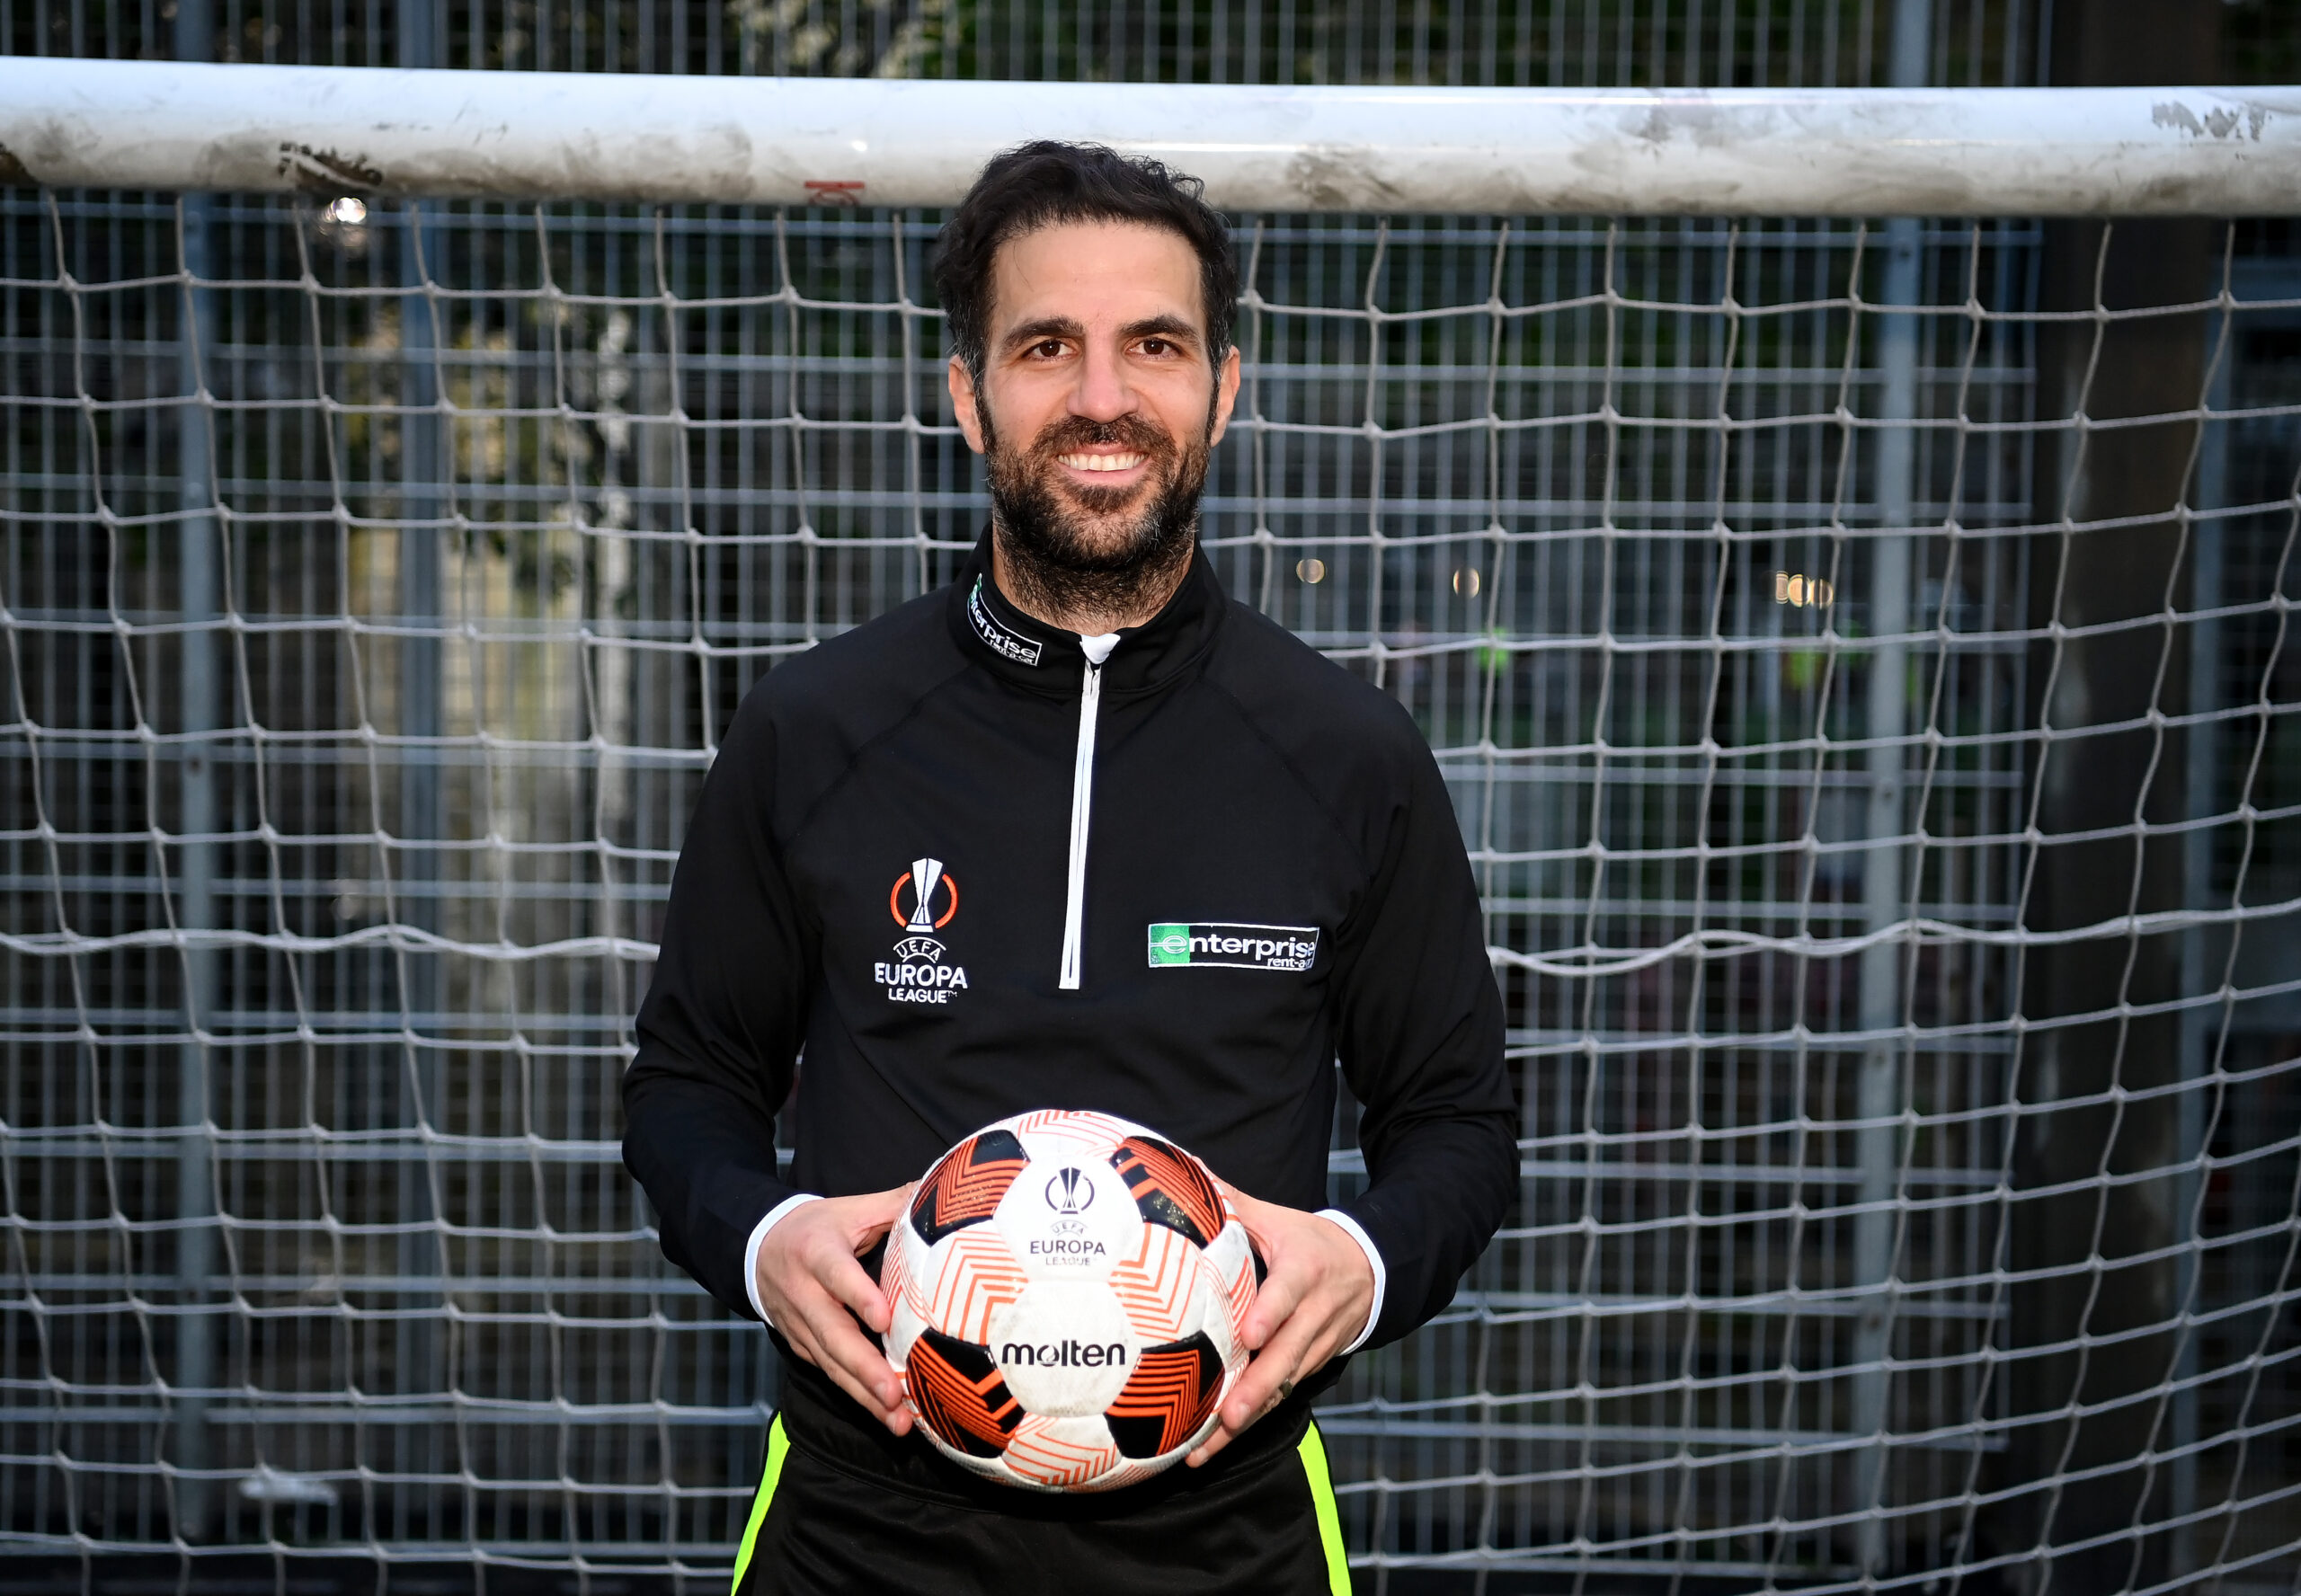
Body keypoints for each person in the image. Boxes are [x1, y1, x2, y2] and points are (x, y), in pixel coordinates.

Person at [620, 141, 1515, 1596]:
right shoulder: (813, 729)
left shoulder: (1346, 754)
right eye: (1048, 347)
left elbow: (1460, 1123)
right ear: (968, 392)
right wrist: (764, 1234)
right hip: (862, 1533)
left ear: (1224, 386)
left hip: (1233, 1537)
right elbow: (685, 1088)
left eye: (1152, 345)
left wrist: (1363, 1267)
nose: (1103, 398)